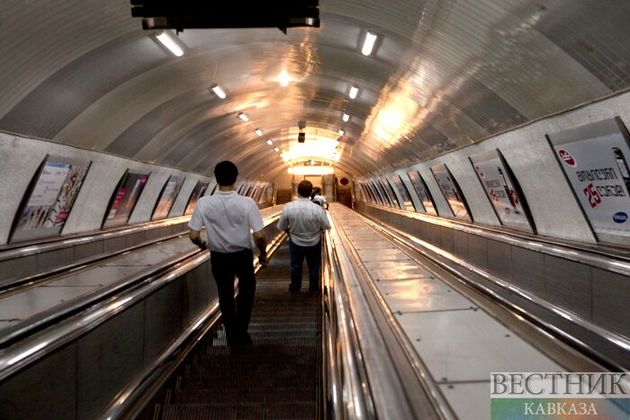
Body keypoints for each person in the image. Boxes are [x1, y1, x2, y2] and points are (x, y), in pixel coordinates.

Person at [189, 161, 268, 346]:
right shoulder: (247, 203)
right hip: (242, 255)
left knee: (224, 295)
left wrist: (202, 244)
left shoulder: (204, 203)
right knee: (246, 292)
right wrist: (263, 253)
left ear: (216, 179)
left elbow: (193, 234)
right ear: (236, 178)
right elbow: (260, 235)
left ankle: (231, 335)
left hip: (219, 257)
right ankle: (242, 332)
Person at [278, 180, 331, 293]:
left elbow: (281, 226)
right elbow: (326, 225)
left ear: (298, 191)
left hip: (295, 242)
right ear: (310, 192)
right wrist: (318, 230)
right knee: (314, 266)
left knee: (295, 266)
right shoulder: (317, 209)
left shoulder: (289, 207)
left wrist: (290, 233)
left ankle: (295, 288)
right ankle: (313, 288)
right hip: (314, 242)